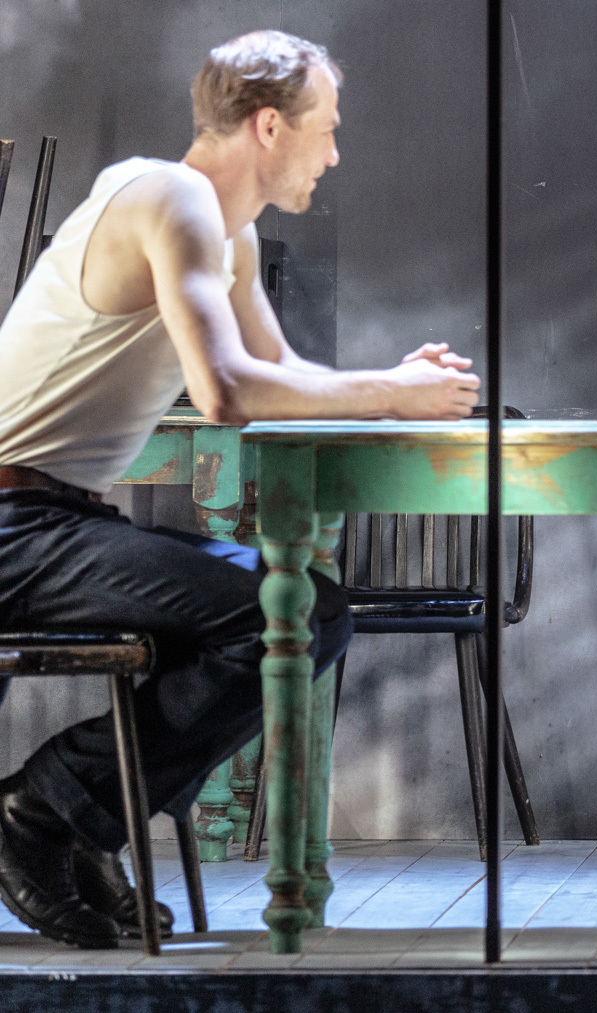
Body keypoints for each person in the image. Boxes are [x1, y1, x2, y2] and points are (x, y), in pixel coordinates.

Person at [0, 30, 479, 948]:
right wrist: (389, 391)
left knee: (301, 609)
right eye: (326, 129)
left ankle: (79, 817)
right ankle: (42, 812)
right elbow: (223, 391)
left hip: (53, 520)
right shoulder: (169, 197)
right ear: (268, 126)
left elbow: (280, 376)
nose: (333, 154)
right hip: (15, 527)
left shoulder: (230, 233)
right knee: (285, 615)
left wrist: (395, 380)